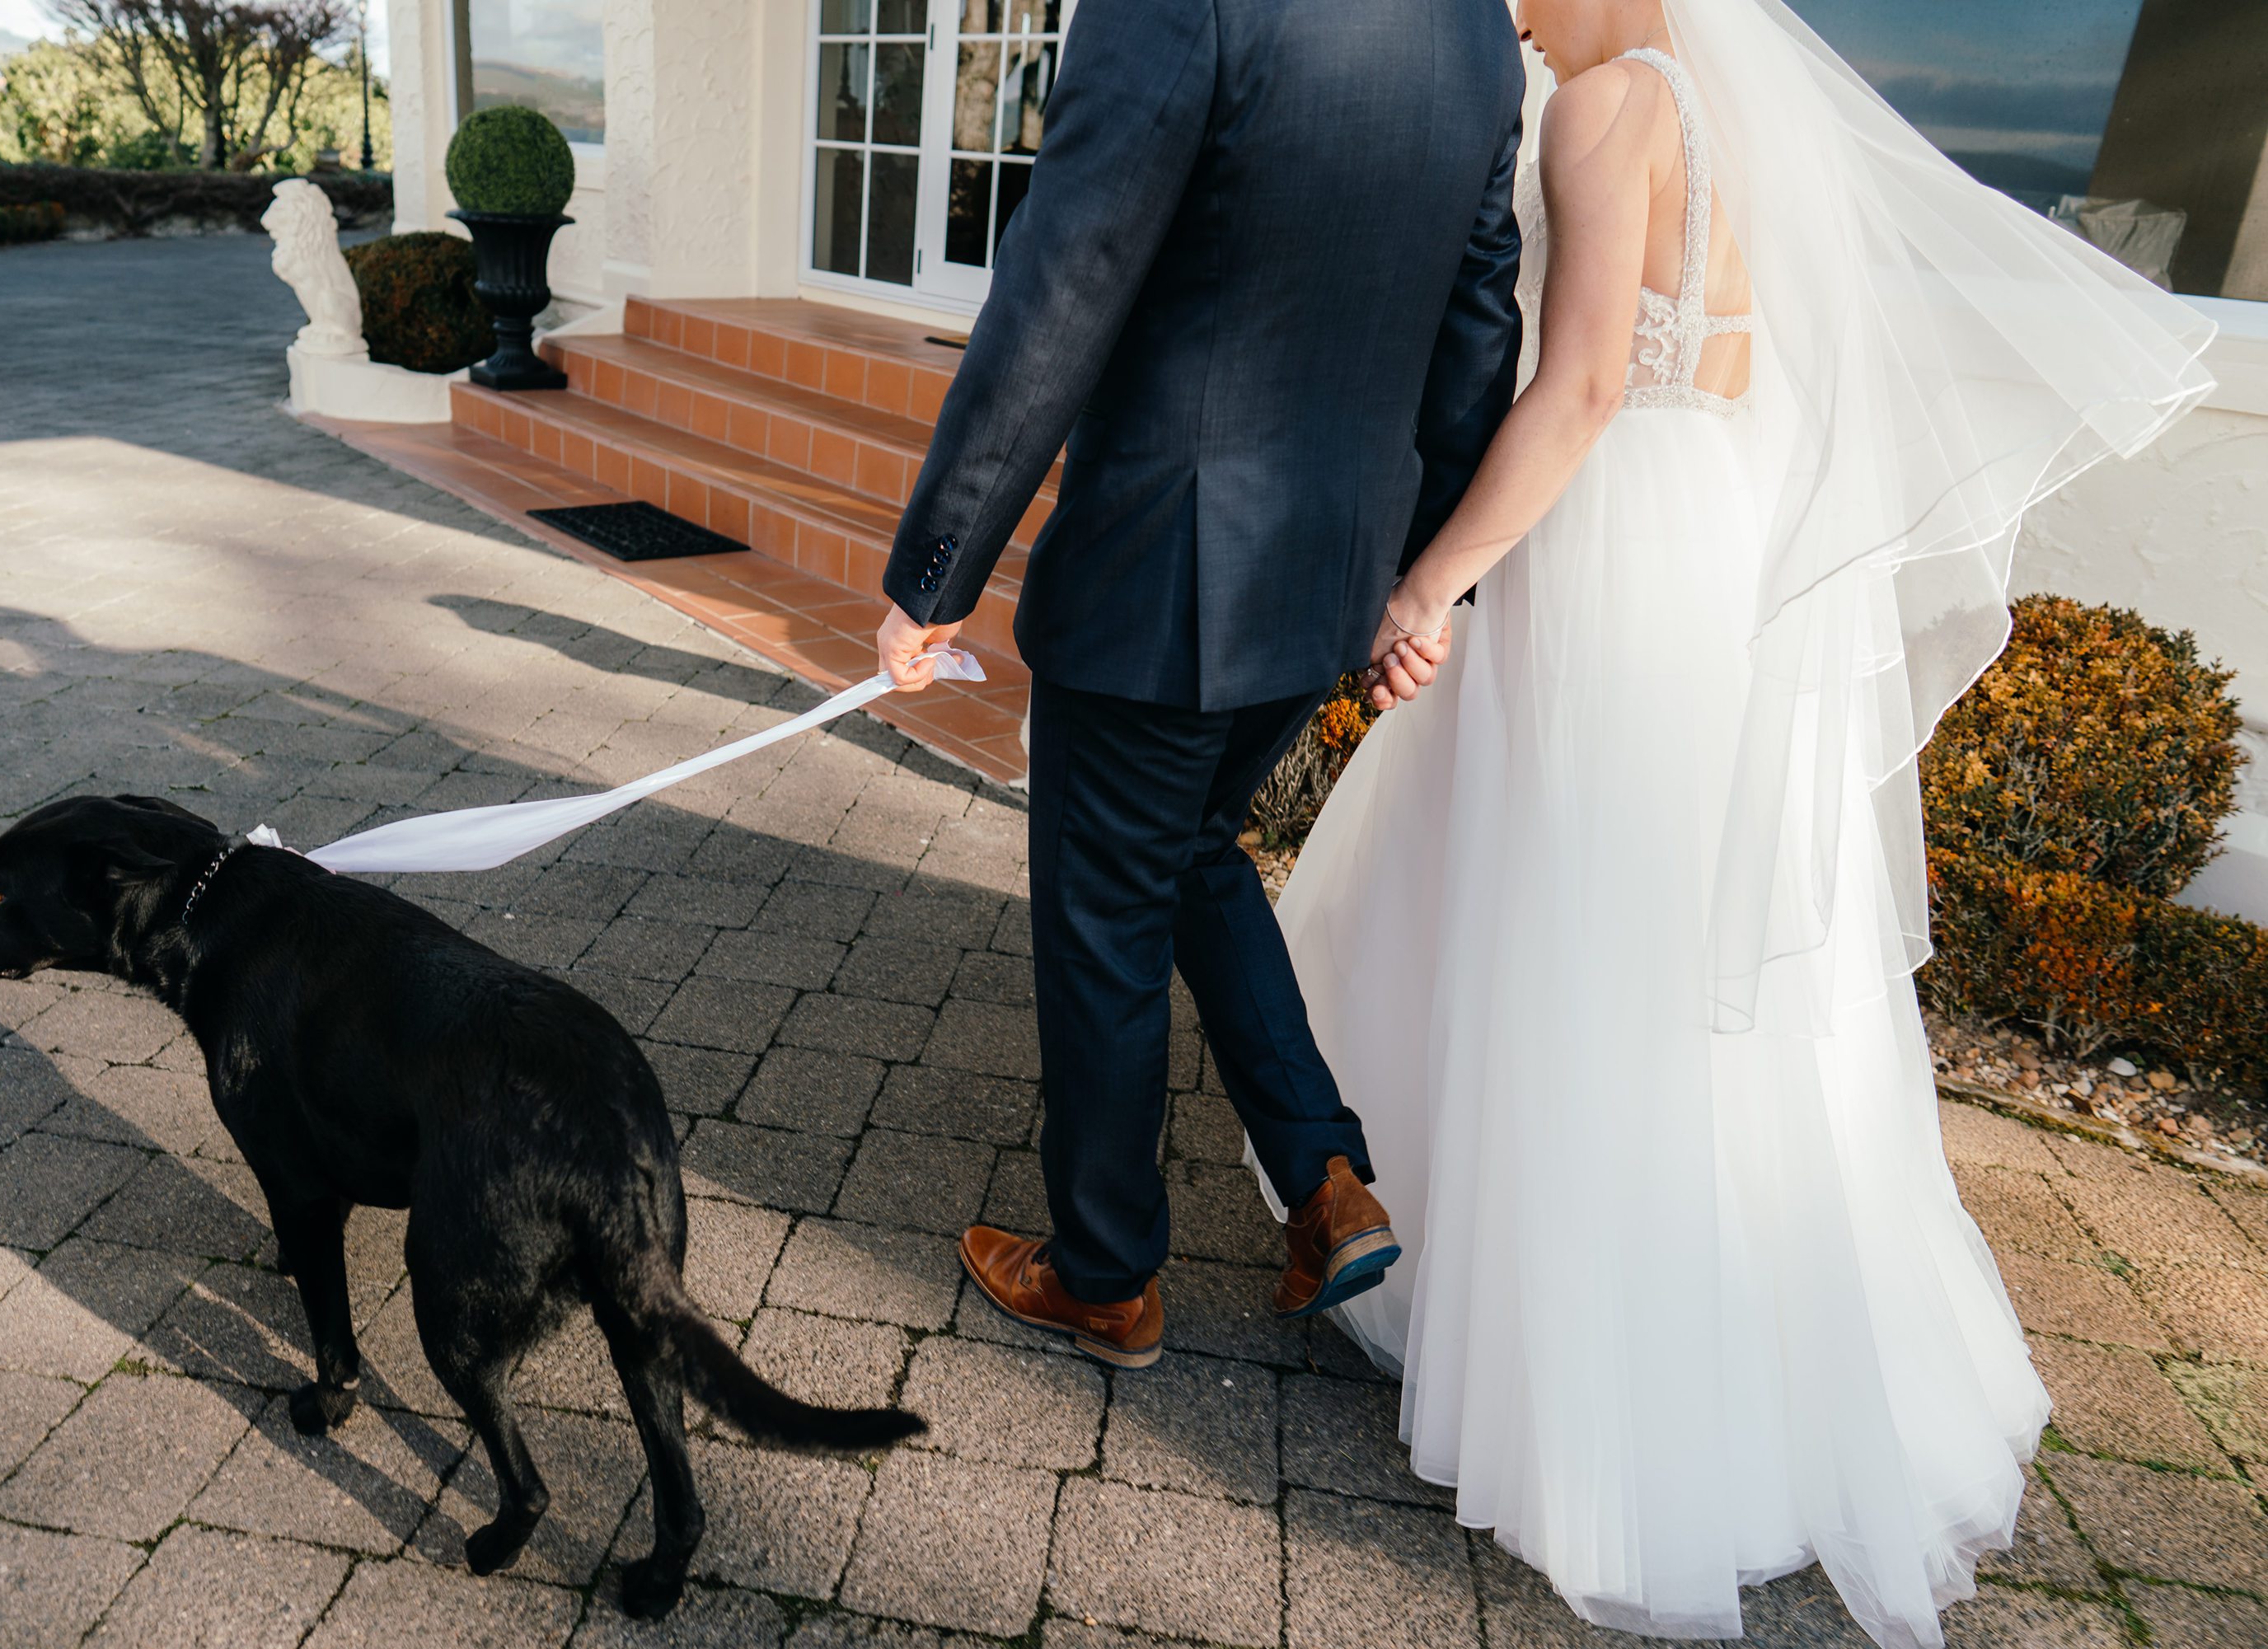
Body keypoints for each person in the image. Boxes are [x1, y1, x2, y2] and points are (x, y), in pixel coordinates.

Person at [1270, 0, 2217, 1643]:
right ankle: (1769, 1377)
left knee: (1576, 941)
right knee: (1714, 968)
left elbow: (1571, 396)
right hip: (1714, 549)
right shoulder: (1740, 126)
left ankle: (1596, 1409)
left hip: (1607, 552)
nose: (1506, 12)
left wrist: (1431, 578)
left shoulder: (1600, 111)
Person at [874, 0, 1529, 1368]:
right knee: (1188, 852)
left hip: (1167, 571)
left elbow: (1066, 278)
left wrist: (937, 572)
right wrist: (1421, 576)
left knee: (1104, 912)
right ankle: (1326, 1180)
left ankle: (1107, 1274)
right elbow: (1480, 319)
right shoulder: (1472, 30)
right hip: (1333, 574)